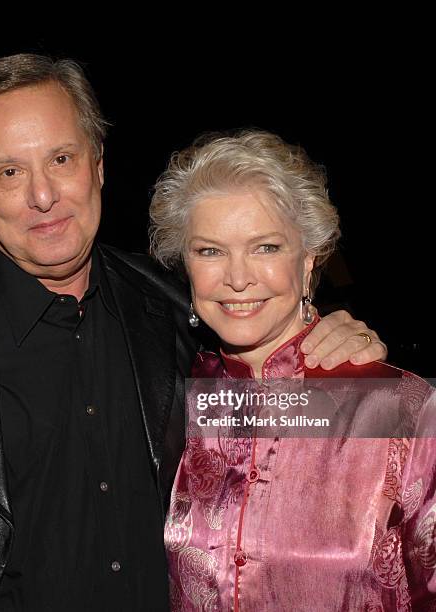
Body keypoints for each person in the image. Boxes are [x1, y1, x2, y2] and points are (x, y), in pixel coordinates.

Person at [0, 55, 387, 611]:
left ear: (97, 165)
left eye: (61, 159)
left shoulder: (173, 306)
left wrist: (335, 349)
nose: (42, 195)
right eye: (9, 172)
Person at [149, 130, 435, 611]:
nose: (238, 278)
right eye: (210, 251)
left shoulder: (402, 411)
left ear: (307, 261)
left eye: (265, 247)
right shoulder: (177, 397)